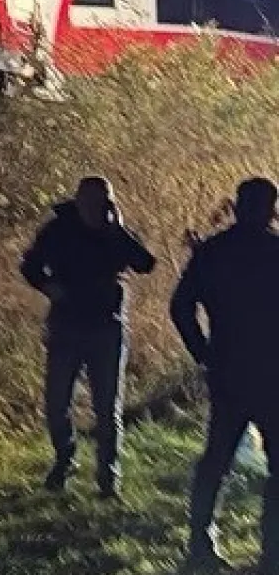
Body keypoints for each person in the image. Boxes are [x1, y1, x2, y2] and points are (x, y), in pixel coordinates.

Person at [17, 175, 157, 497]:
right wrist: (48, 286)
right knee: (57, 403)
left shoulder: (115, 232)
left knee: (107, 407)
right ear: (78, 200)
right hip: (66, 324)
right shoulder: (58, 229)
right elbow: (30, 266)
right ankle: (64, 459)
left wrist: (117, 229)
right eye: (91, 200)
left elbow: (145, 263)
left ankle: (108, 476)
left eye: (103, 201)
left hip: (106, 325)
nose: (96, 207)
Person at [171, 177, 279, 573]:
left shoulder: (213, 252)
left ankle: (201, 545)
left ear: (237, 205)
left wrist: (203, 353)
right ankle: (273, 553)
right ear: (272, 209)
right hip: (273, 374)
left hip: (228, 370)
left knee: (216, 460)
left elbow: (180, 306)